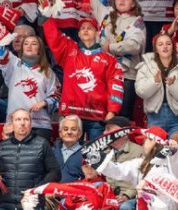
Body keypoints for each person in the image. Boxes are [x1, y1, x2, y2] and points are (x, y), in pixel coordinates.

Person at [41, 11, 124, 141]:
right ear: (78, 34)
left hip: (97, 117)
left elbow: (116, 87)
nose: (85, 31)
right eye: (83, 28)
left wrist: (112, 111)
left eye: (90, 28)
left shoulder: (110, 59)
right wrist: (46, 17)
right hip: (71, 114)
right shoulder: (69, 50)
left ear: (97, 34)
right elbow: (54, 37)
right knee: (71, 151)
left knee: (96, 155)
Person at [0, 31, 59, 140]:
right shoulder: (13, 65)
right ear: (22, 48)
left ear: (40, 49)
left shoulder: (48, 72)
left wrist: (45, 102)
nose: (29, 46)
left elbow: (57, 95)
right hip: (15, 124)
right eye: (26, 43)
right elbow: (1, 55)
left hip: (40, 124)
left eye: (34, 44)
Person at [90, 0, 145, 118]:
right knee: (103, 115)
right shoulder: (107, 14)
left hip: (126, 75)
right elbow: (94, 4)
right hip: (104, 73)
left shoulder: (137, 21)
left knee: (122, 117)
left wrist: (111, 47)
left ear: (133, 3)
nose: (122, 1)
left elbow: (135, 45)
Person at [136, 32, 178, 146]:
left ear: (173, 47)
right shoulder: (146, 66)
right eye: (160, 44)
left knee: (176, 153)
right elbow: (140, 91)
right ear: (156, 48)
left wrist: (174, 84)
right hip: (155, 117)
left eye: (168, 44)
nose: (165, 47)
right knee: (153, 155)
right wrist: (154, 82)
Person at [54, 115, 84, 183]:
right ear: (60, 133)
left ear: (79, 133)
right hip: (51, 191)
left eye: (73, 129)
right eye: (65, 129)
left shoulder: (87, 153)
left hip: (76, 191)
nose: (69, 132)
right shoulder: (51, 152)